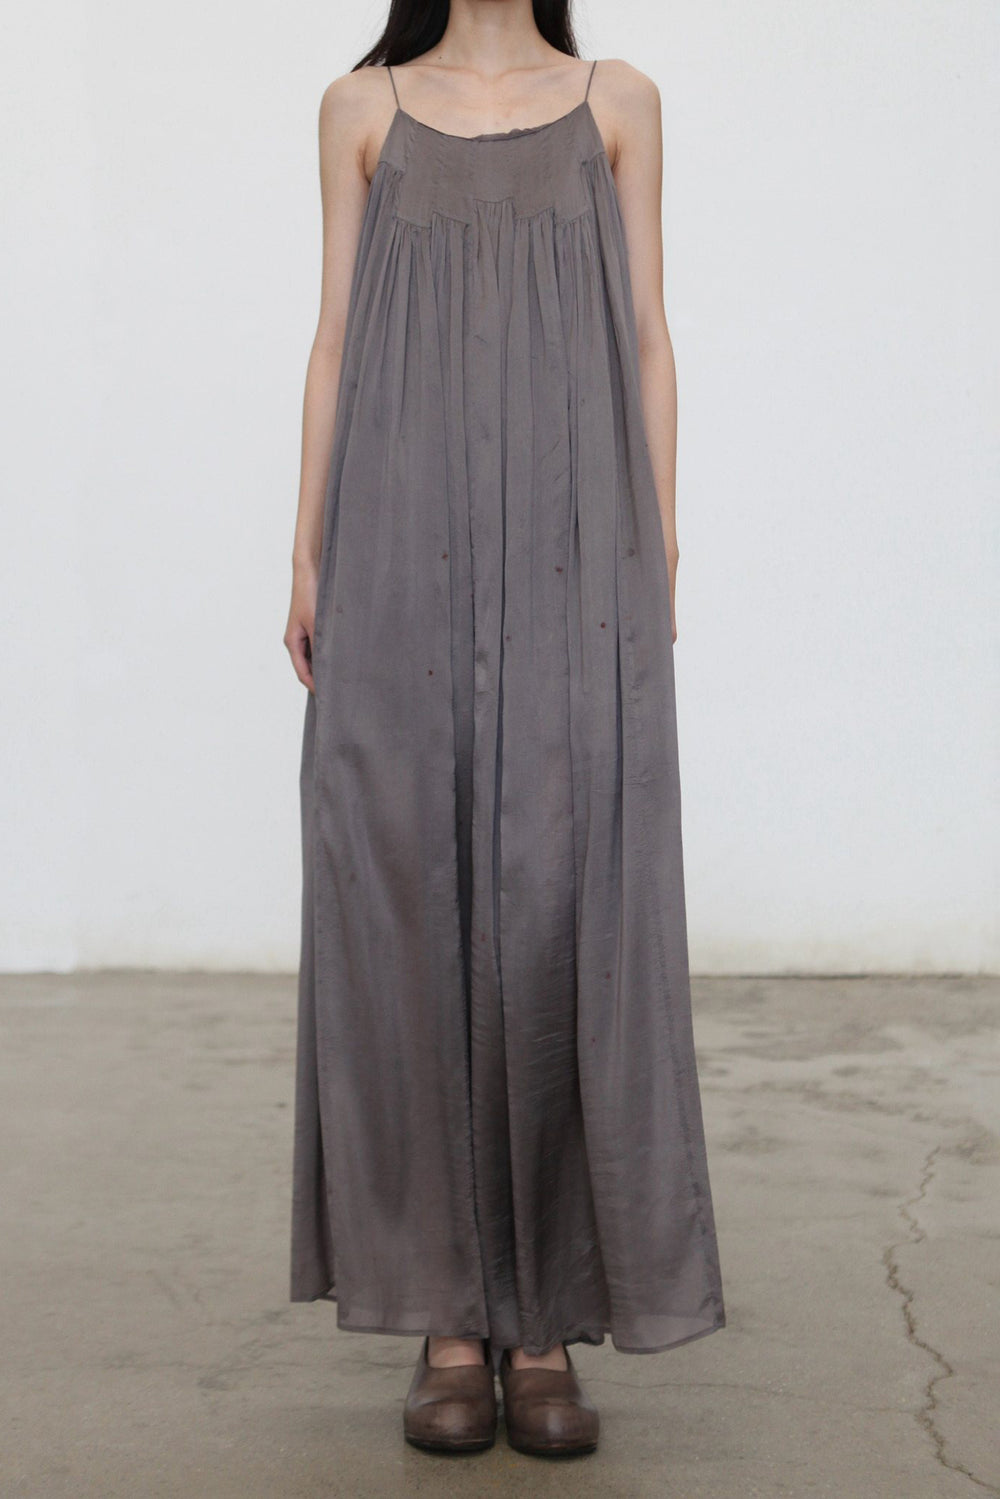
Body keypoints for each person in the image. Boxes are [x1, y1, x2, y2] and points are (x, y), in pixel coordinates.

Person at [284, 0, 726, 1459]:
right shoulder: (362, 109)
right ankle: (448, 1322)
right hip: (395, 547)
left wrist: (656, 555)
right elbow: (335, 340)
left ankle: (546, 1323)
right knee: (408, 909)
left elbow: (649, 339)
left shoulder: (619, 100)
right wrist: (308, 557)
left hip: (576, 551)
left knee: (559, 912)